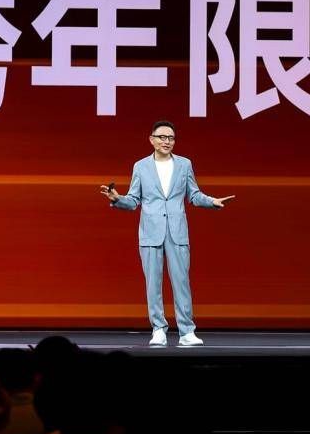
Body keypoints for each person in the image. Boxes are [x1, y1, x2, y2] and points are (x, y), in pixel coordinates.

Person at [99, 120, 234, 347]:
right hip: (150, 232)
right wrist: (117, 199)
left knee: (181, 282)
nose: (167, 141)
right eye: (162, 137)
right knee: (153, 284)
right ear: (151, 140)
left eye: (171, 138)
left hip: (177, 231)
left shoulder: (184, 164)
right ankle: (158, 329)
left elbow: (194, 195)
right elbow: (134, 200)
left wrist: (212, 201)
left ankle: (186, 331)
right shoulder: (141, 166)